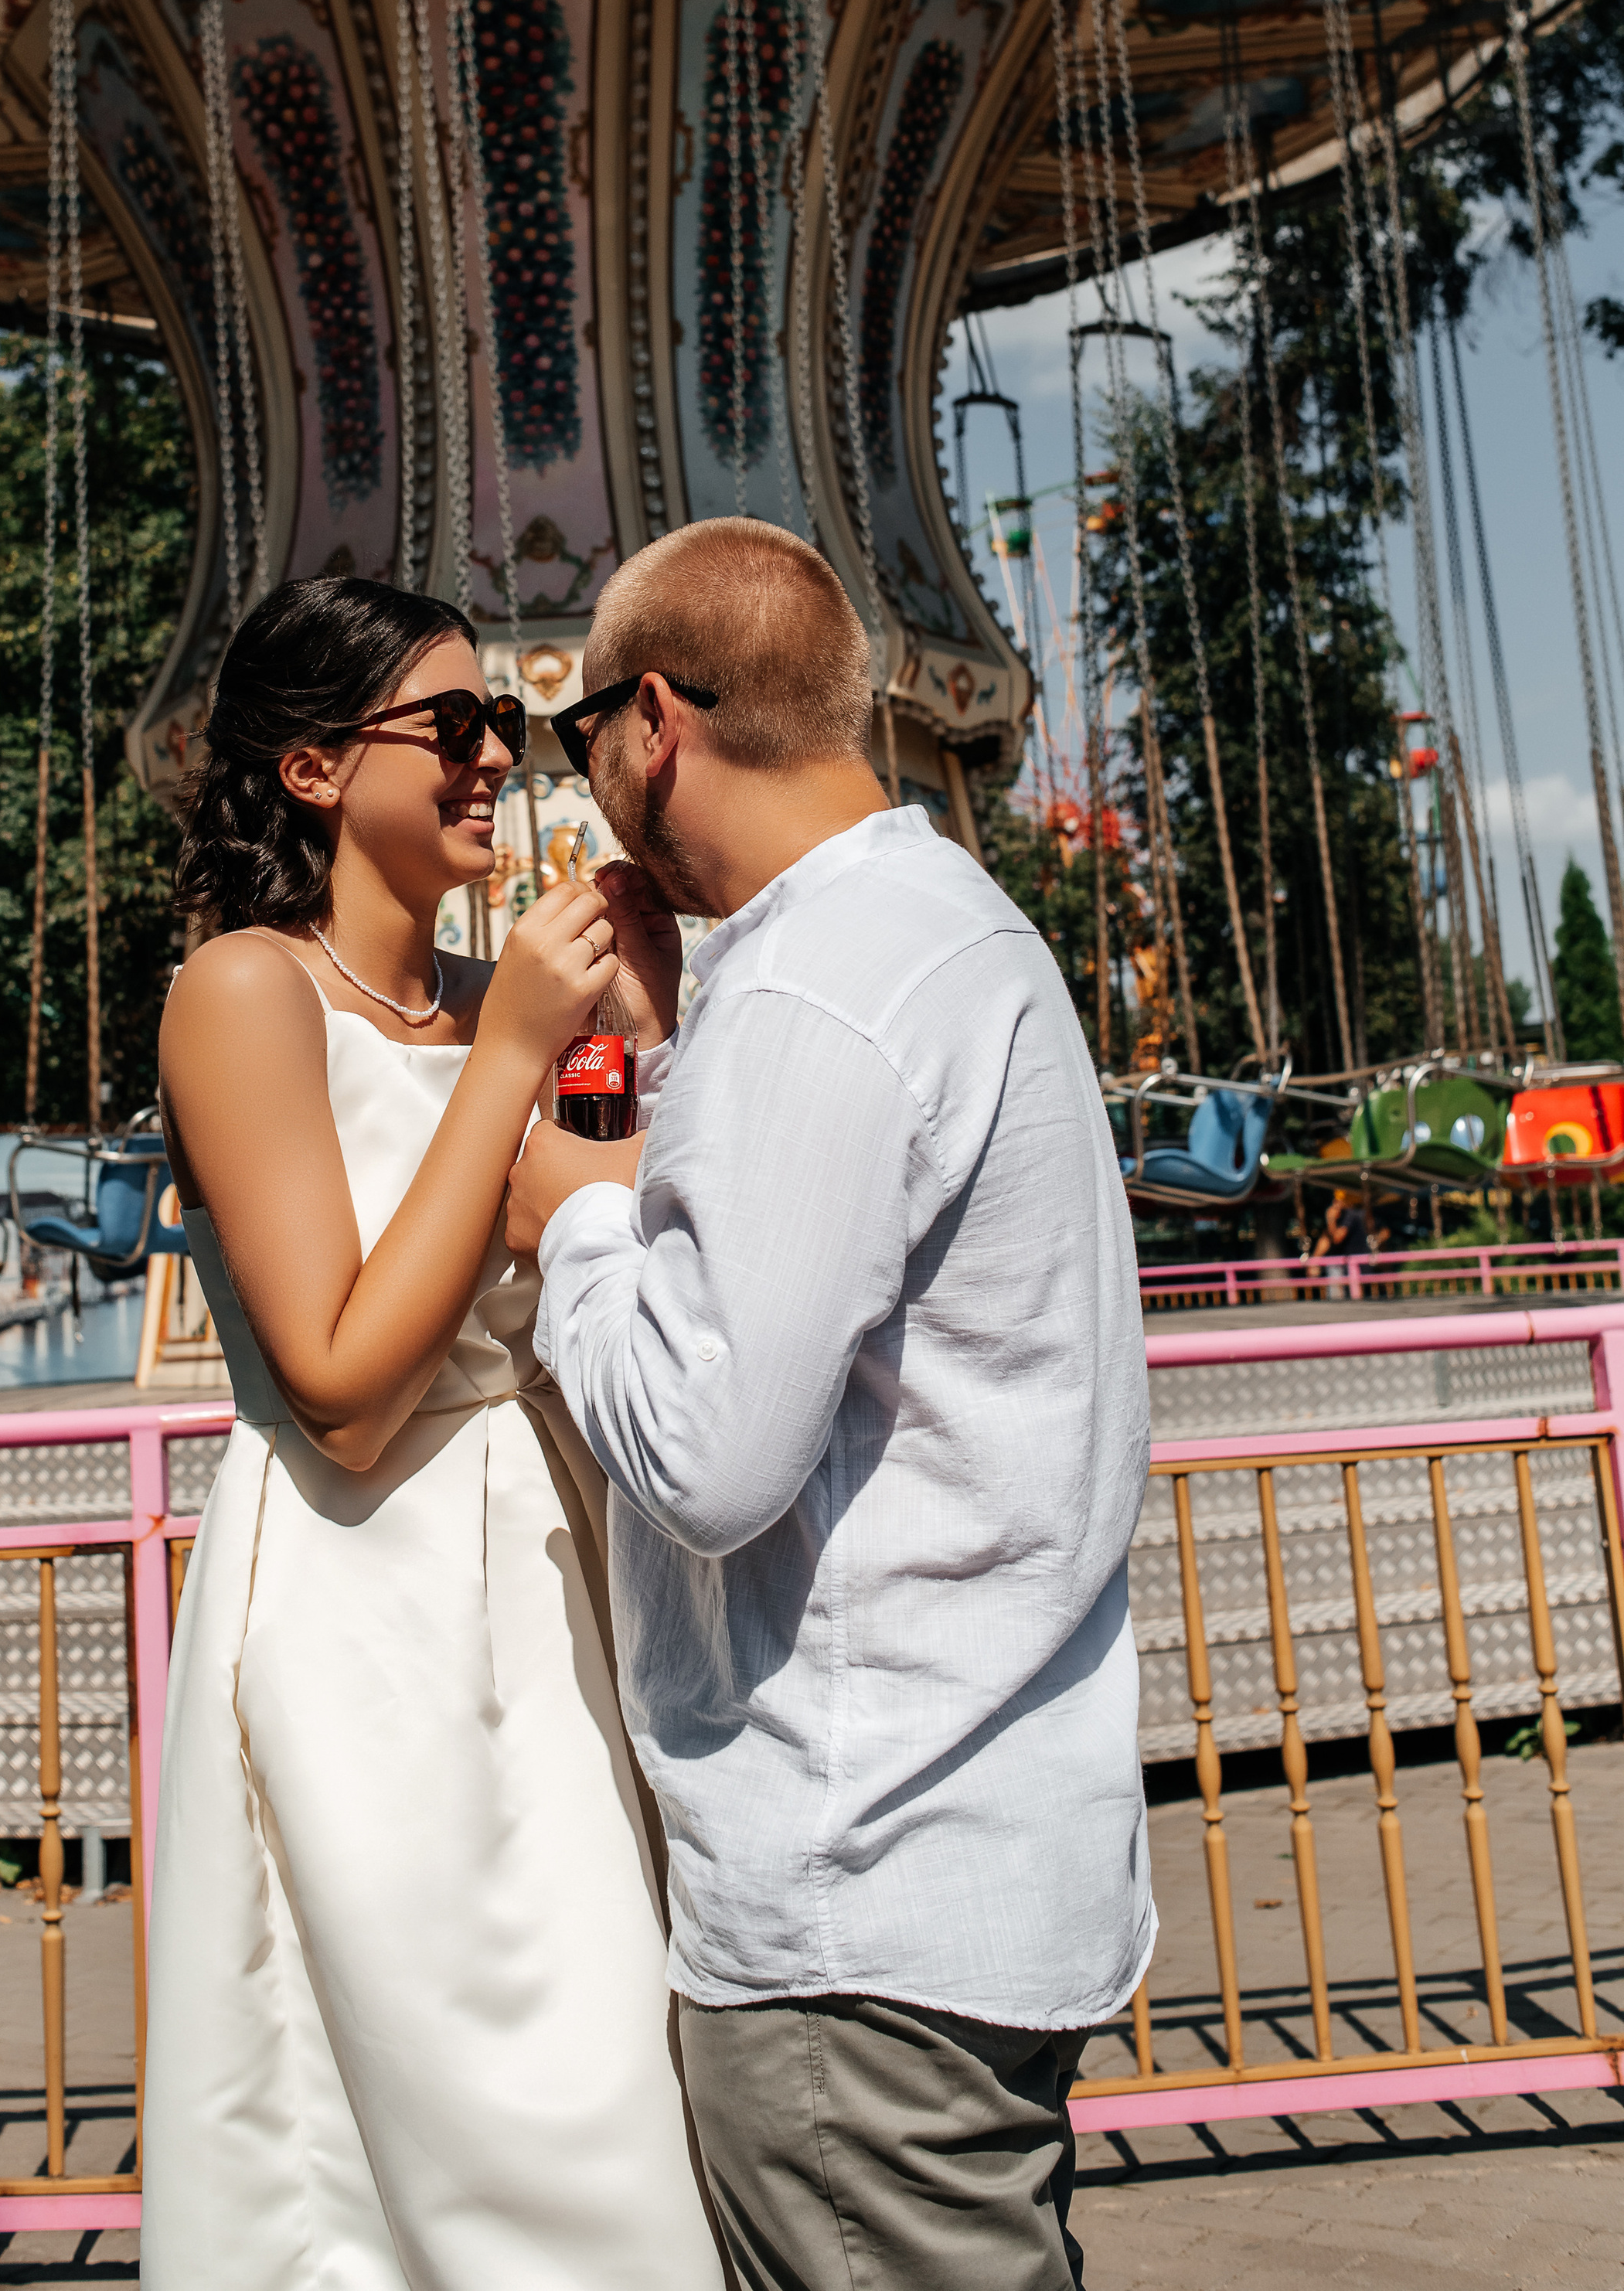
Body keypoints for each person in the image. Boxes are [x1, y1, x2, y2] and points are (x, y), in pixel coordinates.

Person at [506, 516, 1154, 2291]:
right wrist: (662, 1057)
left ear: (654, 720)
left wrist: (561, 1219)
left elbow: (711, 1461)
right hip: (975, 1853)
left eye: (575, 737)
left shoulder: (808, 990)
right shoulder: (944, 932)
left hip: (850, 1905)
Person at [141, 576, 726, 2291]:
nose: (491, 760)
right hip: (358, 1603)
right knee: (436, 2122)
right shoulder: (244, 994)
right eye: (451, 726)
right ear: (315, 767)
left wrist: (668, 1027)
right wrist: (512, 1060)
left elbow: (661, 1220)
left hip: (538, 1584)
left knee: (611, 2078)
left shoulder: (491, 1004)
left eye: (503, 729)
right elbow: (340, 1381)